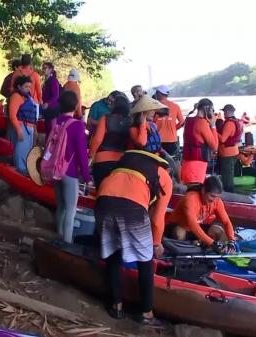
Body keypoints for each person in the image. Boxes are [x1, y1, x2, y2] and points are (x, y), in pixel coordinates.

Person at [96, 149, 172, 325]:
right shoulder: (165, 178)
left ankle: (116, 306)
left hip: (103, 200)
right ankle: (146, 313)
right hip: (132, 206)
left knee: (114, 254)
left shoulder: (127, 163)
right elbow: (157, 218)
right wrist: (156, 243)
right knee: (145, 261)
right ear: (166, 169)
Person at [51, 91, 91, 243]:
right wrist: (87, 177)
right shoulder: (77, 125)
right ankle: (66, 244)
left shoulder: (55, 122)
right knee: (71, 210)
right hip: (70, 172)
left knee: (60, 206)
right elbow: (82, 153)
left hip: (55, 170)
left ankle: (58, 236)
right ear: (75, 106)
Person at [166, 176, 237, 253]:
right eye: (212, 196)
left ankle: (204, 247)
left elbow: (226, 222)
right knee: (179, 232)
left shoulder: (217, 201)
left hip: (195, 229)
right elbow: (193, 225)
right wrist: (211, 243)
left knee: (219, 231)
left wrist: (231, 241)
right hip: (177, 228)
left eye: (216, 197)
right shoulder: (190, 199)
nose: (213, 200)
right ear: (203, 190)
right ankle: (189, 248)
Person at [89, 95, 132, 188]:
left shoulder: (106, 118)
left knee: (100, 189)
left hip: (102, 161)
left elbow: (97, 140)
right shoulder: (131, 121)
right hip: (121, 162)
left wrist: (90, 155)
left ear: (115, 106)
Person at [180, 98, 219, 185]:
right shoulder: (202, 123)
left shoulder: (188, 120)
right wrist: (213, 125)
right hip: (196, 166)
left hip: (186, 163)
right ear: (208, 109)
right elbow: (215, 146)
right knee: (195, 192)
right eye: (212, 110)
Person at [8, 75, 39, 175]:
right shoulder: (16, 96)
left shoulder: (27, 97)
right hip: (22, 128)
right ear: (19, 87)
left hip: (28, 129)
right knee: (20, 154)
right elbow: (12, 116)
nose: (28, 89)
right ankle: (18, 173)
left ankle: (24, 172)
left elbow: (33, 119)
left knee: (26, 154)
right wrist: (18, 131)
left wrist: (35, 131)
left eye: (29, 87)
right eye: (26, 87)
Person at [218, 104, 243, 193]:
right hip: (233, 152)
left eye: (224, 111)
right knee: (228, 175)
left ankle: (230, 195)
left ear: (227, 112)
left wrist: (213, 130)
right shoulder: (237, 121)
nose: (223, 113)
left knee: (227, 178)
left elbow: (223, 139)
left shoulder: (229, 123)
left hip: (228, 154)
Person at [153, 85, 184, 157]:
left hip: (157, 140)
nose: (155, 94)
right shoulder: (175, 106)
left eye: (156, 92)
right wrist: (174, 128)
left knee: (159, 162)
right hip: (172, 140)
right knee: (171, 162)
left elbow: (151, 123)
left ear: (159, 93)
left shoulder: (154, 106)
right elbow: (182, 122)